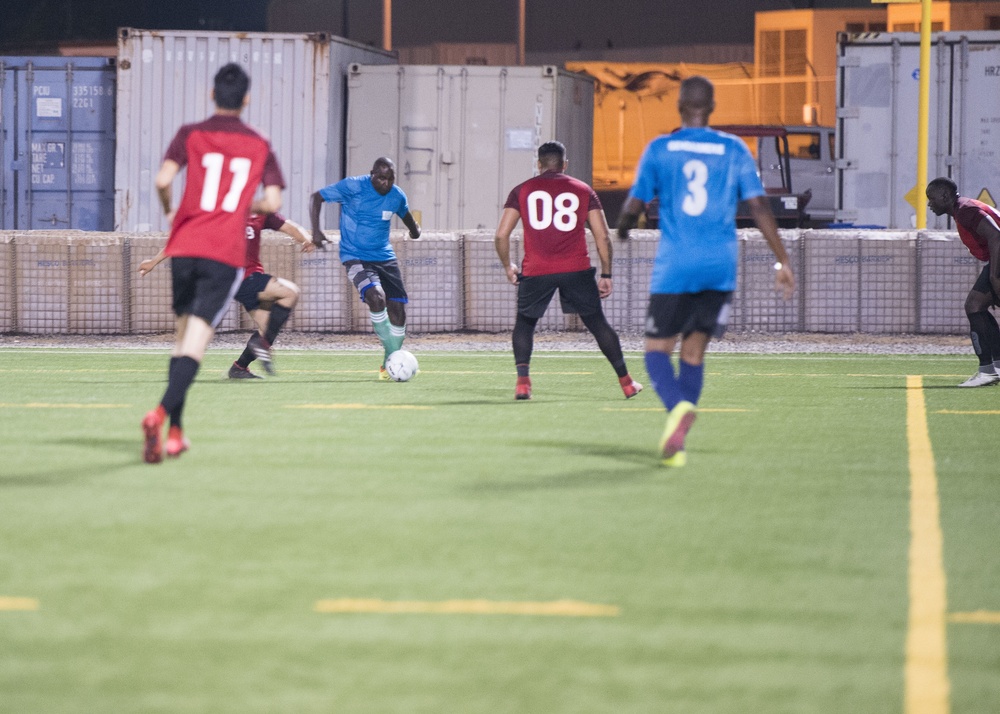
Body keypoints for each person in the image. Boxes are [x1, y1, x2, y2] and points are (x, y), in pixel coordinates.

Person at [617, 76, 794, 468]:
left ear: (679, 105)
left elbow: (635, 203)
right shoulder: (733, 149)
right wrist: (782, 260)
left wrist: (626, 227)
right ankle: (676, 443)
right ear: (712, 107)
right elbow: (760, 208)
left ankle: (677, 408)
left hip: (676, 266)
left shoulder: (661, 148)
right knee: (693, 352)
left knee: (656, 352)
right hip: (719, 267)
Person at [141, 63, 285, 464]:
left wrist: (171, 213)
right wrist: (244, 205)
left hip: (184, 246)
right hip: (223, 252)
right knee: (196, 345)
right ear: (247, 98)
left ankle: (176, 434)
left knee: (180, 339)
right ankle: (158, 414)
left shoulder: (190, 133)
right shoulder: (260, 143)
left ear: (212, 95)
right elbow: (272, 203)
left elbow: (162, 181)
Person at [493, 140, 643, 401]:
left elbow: (500, 235)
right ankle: (627, 383)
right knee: (597, 323)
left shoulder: (522, 190)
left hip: (536, 269)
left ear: (539, 165)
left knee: (525, 324)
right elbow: (602, 236)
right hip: (576, 268)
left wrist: (508, 267)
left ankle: (523, 384)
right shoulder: (583, 190)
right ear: (565, 164)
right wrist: (606, 274)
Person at [138, 213, 314, 379]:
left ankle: (239, 368)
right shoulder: (219, 215)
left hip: (248, 279)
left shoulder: (259, 212)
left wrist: (306, 238)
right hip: (239, 278)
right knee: (290, 292)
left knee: (266, 330)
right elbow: (182, 238)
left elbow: (289, 227)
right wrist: (153, 262)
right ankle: (261, 346)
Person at [309, 158, 421, 379]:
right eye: (381, 178)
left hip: (385, 257)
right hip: (355, 256)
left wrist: (415, 231)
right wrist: (316, 231)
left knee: (398, 311)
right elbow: (317, 197)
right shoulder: (353, 187)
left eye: (390, 179)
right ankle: (394, 357)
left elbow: (406, 215)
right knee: (376, 297)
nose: (385, 183)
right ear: (371, 174)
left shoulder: (397, 195)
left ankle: (388, 362)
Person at [926, 177, 1000, 386]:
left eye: (931, 199)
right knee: (977, 306)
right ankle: (995, 368)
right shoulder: (963, 209)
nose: (929, 204)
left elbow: (996, 236)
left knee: (974, 306)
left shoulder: (966, 210)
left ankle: (987, 372)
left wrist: (994, 276)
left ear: (944, 196)